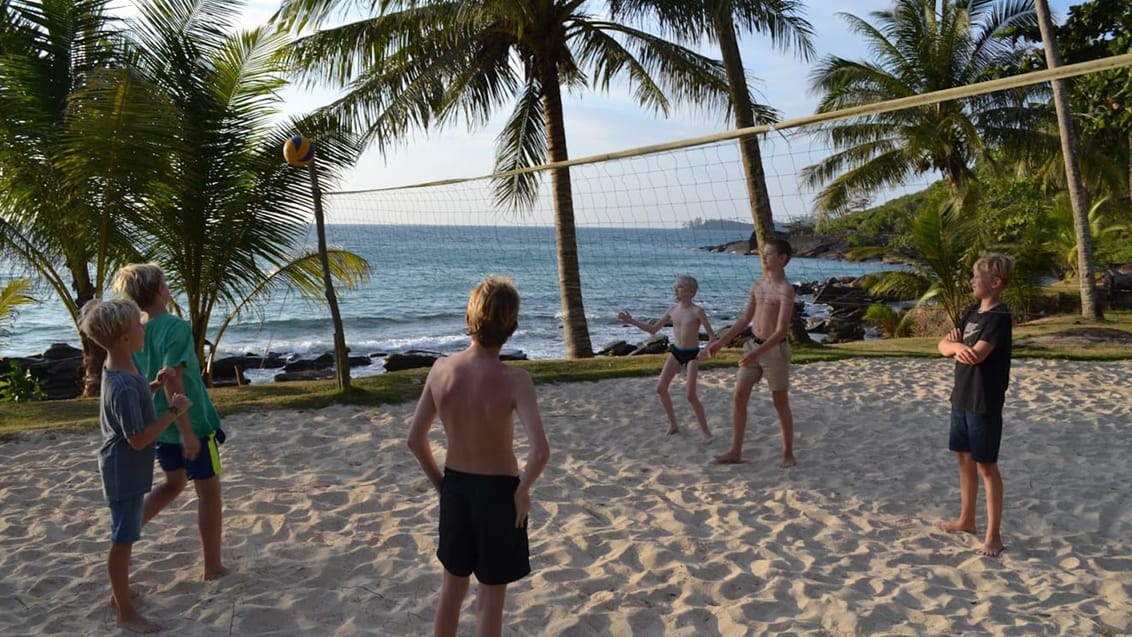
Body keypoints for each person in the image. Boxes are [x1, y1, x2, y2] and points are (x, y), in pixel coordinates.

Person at [407, 276, 550, 637]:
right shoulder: (516, 380)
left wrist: (442, 485)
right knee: (490, 601)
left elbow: (414, 439)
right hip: (500, 495)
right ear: (513, 328)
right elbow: (540, 452)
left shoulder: (441, 369)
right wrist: (522, 491)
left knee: (451, 593)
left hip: (456, 488)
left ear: (468, 318)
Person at [79, 298, 193, 634]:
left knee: (126, 533)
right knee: (123, 538)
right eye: (138, 325)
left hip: (127, 467)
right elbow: (139, 438)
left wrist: (155, 385)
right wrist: (174, 411)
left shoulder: (124, 366)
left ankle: (122, 595)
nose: (144, 326)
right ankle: (124, 611)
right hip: (122, 470)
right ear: (125, 338)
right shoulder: (123, 384)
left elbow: (137, 402)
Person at [111, 264, 230, 580]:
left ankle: (124, 536)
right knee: (209, 493)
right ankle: (213, 567)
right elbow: (172, 378)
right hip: (191, 424)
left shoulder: (136, 330)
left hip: (160, 425)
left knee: (174, 484)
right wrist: (188, 431)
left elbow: (145, 379)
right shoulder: (175, 327)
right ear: (161, 291)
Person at [934, 253, 1015, 558]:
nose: (971, 280)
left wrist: (957, 349)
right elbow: (943, 346)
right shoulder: (971, 312)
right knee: (963, 458)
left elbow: (977, 355)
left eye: (976, 276)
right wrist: (954, 347)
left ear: (995, 283)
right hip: (962, 396)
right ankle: (966, 520)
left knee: (986, 465)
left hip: (984, 400)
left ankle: (993, 536)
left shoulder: (999, 317)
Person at [703, 239, 796, 467]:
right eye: (762, 254)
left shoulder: (786, 289)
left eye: (768, 254)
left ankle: (787, 454)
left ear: (782, 259)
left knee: (780, 401)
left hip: (774, 350)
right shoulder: (757, 286)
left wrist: (757, 354)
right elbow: (745, 319)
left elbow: (781, 330)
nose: (763, 258)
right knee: (738, 397)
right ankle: (735, 451)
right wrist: (721, 341)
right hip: (752, 346)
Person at [618, 275, 716, 441]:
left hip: (692, 354)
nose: (675, 290)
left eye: (679, 287)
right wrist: (632, 321)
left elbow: (713, 337)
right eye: (675, 287)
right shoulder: (672, 310)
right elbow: (653, 329)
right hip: (676, 352)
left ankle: (706, 432)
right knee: (660, 388)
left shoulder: (697, 311)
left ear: (691, 292)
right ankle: (673, 424)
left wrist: (705, 351)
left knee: (690, 396)